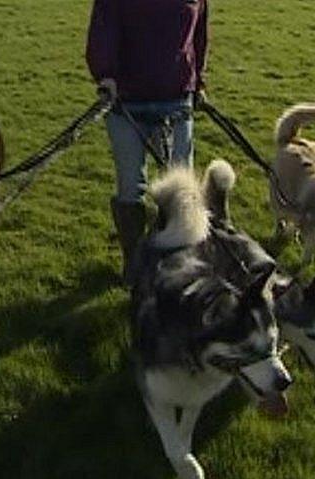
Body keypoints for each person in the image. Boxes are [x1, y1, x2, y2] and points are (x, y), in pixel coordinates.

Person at [86, 0, 208, 282]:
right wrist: (106, 74)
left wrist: (198, 78)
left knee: (182, 186)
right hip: (126, 102)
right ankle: (135, 260)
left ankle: (180, 260)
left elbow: (199, 33)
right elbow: (103, 29)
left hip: (177, 99)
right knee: (131, 186)